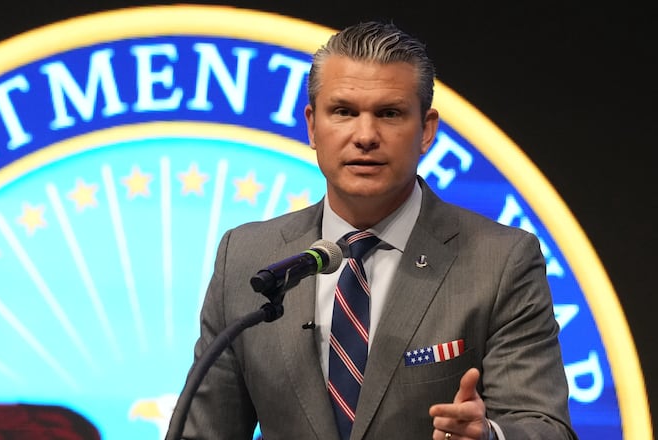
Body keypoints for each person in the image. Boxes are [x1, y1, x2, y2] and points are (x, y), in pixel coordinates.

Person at [172, 20, 578, 440]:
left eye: (389, 114)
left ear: (427, 130)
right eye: (344, 112)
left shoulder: (499, 262)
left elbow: (545, 428)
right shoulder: (246, 258)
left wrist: (489, 436)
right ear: (313, 126)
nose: (365, 136)